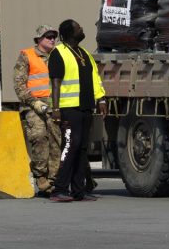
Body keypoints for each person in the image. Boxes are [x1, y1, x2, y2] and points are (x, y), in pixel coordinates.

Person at [48, 19, 107, 202]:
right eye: (78, 27)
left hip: (85, 107)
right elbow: (56, 83)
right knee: (70, 146)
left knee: (82, 148)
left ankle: (79, 190)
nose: (82, 29)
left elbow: (95, 78)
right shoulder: (59, 53)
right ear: (70, 33)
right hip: (68, 108)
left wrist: (101, 98)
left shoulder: (84, 54)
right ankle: (59, 189)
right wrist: (56, 108)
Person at [13, 25, 61, 197]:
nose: (52, 39)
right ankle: (41, 176)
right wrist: (33, 102)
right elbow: (19, 84)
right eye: (48, 36)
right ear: (38, 39)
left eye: (54, 36)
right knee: (39, 136)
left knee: (57, 140)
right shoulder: (27, 56)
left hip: (54, 105)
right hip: (34, 105)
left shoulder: (58, 55)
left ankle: (54, 180)